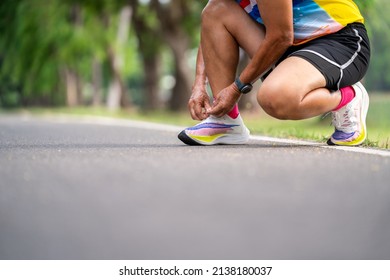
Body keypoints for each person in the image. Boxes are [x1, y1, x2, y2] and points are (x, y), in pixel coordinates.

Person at [177, 0, 370, 146]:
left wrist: (236, 88)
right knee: (216, 9)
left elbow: (281, 37)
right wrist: (199, 84)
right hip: (288, 44)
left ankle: (349, 97)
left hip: (337, 39)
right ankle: (225, 119)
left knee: (274, 98)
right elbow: (211, 24)